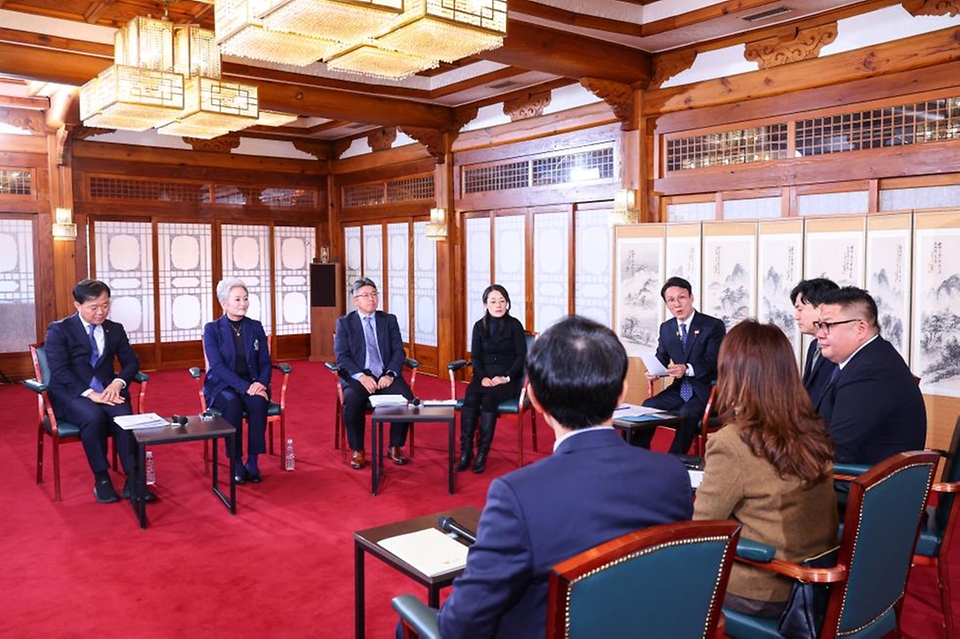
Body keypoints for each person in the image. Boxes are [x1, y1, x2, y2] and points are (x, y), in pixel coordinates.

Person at [432, 315, 693, 638]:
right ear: (622, 393)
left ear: (537, 400)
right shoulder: (671, 474)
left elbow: (460, 625)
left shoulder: (517, 494)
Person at [694, 320, 839, 618]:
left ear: (733, 374)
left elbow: (702, 532)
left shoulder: (731, 442)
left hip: (764, 588)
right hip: (816, 579)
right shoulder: (810, 428)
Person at [43, 279, 151, 503]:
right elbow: (60, 371)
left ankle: (134, 478)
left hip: (108, 390)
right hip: (72, 392)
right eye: (94, 307)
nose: (101, 312)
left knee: (124, 417)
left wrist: (118, 383)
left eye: (105, 305)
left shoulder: (115, 329)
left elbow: (131, 363)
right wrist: (90, 394)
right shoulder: (59, 330)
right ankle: (102, 477)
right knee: (93, 417)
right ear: (77, 306)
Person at [814, 286, 926, 464]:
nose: (819, 334)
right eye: (818, 325)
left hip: (864, 484)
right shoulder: (870, 357)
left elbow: (837, 449)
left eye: (827, 325)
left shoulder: (870, 373)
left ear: (860, 328)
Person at [639, 276, 726, 454]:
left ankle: (674, 461)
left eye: (681, 298)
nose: (677, 304)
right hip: (680, 390)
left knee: (686, 414)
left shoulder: (712, 326)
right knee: (647, 406)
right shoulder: (667, 328)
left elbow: (714, 361)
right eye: (671, 300)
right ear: (666, 303)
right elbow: (662, 356)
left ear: (691, 297)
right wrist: (655, 371)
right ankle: (640, 454)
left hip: (707, 390)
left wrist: (687, 369)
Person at [334, 277, 414, 470]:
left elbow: (398, 351)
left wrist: (390, 374)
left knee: (407, 399)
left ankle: (395, 445)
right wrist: (361, 376)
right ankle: (358, 449)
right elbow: (342, 356)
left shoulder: (388, 320)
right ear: (355, 299)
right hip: (359, 377)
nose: (371, 299)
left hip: (385, 374)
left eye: (374, 294)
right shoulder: (345, 323)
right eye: (366, 295)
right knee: (352, 402)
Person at [202, 278, 273, 484]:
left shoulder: (255, 327)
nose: (243, 303)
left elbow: (266, 362)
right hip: (223, 385)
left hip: (252, 382)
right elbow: (217, 366)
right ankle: (236, 462)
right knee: (232, 404)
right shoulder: (212, 329)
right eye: (238, 299)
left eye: (246, 298)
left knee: (259, 402)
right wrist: (245, 387)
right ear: (224, 303)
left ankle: (252, 461)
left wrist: (261, 383)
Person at [457, 284, 527, 474]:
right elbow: (476, 357)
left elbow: (521, 357)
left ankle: (482, 453)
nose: (498, 305)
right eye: (493, 301)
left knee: (489, 400)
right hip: (484, 377)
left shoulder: (514, 325)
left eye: (502, 301)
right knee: (471, 399)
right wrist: (482, 377)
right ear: (485, 304)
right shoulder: (479, 326)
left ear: (508, 303)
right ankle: (466, 451)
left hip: (507, 379)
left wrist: (506, 377)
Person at [790, 277, 839, 406]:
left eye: (800, 309)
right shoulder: (814, 345)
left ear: (821, 307)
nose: (796, 316)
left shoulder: (837, 347)